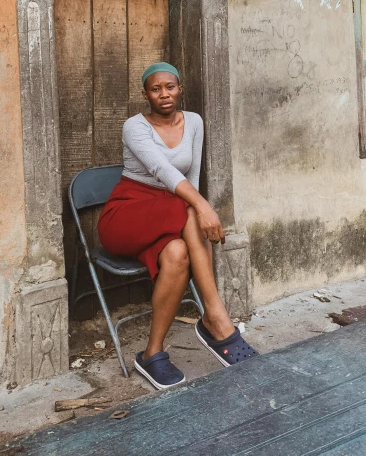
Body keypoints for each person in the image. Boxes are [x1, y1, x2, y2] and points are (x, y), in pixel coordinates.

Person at [98, 62, 258, 390]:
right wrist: (200, 206)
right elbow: (163, 171)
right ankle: (216, 319)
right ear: (146, 94)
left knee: (177, 252)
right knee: (186, 207)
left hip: (171, 211)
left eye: (170, 87)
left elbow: (191, 176)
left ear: (179, 88)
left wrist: (196, 205)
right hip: (127, 214)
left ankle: (152, 354)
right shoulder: (134, 126)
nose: (164, 94)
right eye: (156, 89)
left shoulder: (195, 122)